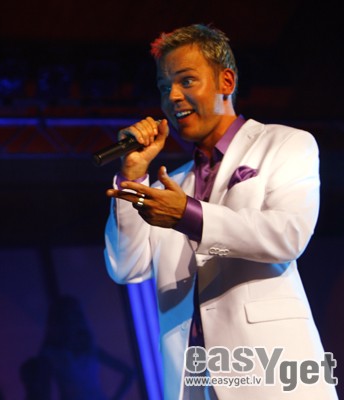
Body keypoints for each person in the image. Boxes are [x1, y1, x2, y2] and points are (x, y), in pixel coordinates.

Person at [103, 24, 338, 399]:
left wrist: (189, 215)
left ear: (226, 81)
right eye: (164, 88)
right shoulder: (170, 184)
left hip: (271, 377)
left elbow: (287, 235)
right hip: (192, 383)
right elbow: (126, 268)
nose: (172, 97)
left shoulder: (285, 143)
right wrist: (132, 177)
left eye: (186, 81)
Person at [20, 295, 134, 400]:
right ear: (58, 322)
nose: (71, 322)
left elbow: (130, 373)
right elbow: (44, 394)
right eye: (66, 318)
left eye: (75, 317)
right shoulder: (51, 355)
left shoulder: (90, 349)